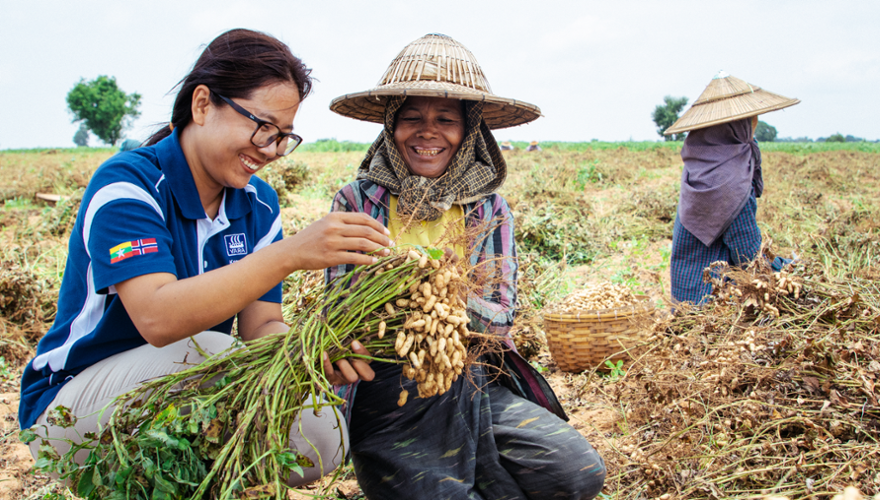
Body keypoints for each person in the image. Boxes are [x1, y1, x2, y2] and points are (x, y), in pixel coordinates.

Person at [18, 28, 391, 486]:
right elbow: (158, 318)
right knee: (211, 352)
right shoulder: (127, 185)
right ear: (202, 105)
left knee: (322, 431)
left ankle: (186, 485)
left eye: (283, 136)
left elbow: (260, 327)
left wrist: (310, 350)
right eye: (262, 127)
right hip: (73, 406)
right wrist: (290, 253)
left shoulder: (258, 204)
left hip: (181, 389)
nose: (271, 150)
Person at [326, 33, 605, 500]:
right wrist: (401, 293)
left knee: (576, 472)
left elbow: (499, 318)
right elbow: (338, 311)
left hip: (470, 376)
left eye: (446, 120)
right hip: (388, 388)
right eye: (411, 117)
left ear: (469, 130)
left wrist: (451, 293)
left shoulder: (488, 209)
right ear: (391, 125)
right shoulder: (357, 201)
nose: (427, 132)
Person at [664, 71, 799, 304]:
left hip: (685, 295)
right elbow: (748, 258)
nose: (755, 124)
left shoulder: (702, 166)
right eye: (752, 119)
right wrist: (788, 267)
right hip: (711, 305)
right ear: (740, 126)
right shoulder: (730, 181)